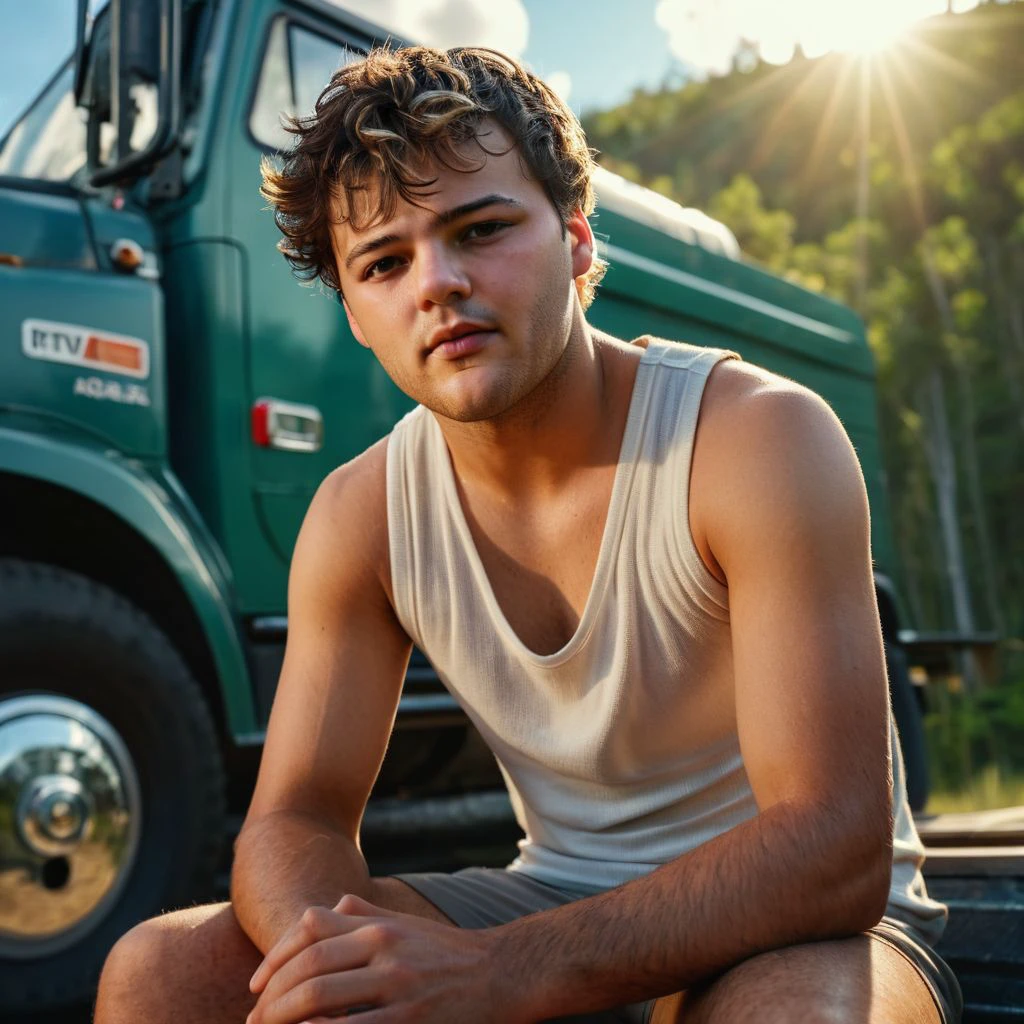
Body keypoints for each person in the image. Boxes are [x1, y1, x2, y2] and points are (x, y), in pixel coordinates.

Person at [95, 45, 961, 1024]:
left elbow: (832, 847)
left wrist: (502, 972)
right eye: (384, 262)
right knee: (158, 974)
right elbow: (293, 817)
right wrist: (331, 970)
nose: (438, 283)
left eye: (481, 228)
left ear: (579, 239)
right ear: (356, 315)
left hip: (801, 925)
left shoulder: (755, 438)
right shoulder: (360, 513)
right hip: (555, 896)